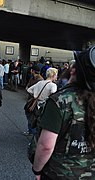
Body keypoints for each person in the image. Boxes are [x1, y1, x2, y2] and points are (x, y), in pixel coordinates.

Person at [31, 46, 95, 179]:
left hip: (59, 173)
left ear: (72, 70)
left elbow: (46, 146)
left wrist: (37, 170)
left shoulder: (60, 100)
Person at [22, 65, 44, 136]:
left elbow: (35, 91)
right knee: (29, 114)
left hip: (35, 101)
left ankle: (33, 131)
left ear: (33, 71)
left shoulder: (40, 80)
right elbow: (28, 86)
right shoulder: (33, 78)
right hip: (30, 99)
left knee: (33, 116)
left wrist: (29, 90)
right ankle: (31, 130)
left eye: (31, 70)